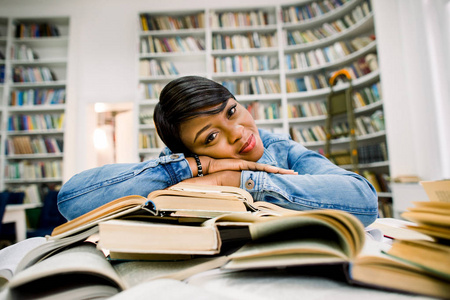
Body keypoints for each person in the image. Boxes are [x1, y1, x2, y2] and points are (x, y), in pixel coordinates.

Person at [57, 76, 378, 226]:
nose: (239, 133)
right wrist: (196, 169)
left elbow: (362, 199)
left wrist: (235, 183)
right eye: (211, 137)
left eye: (232, 111)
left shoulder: (279, 148)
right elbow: (71, 199)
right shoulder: (177, 167)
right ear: (188, 151)